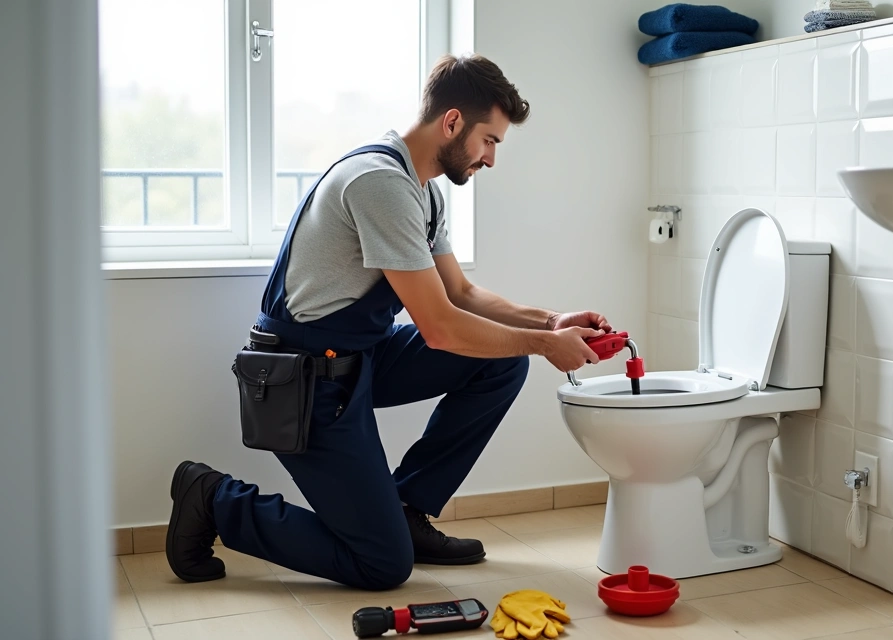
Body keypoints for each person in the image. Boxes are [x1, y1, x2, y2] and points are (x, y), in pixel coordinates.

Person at [164, 54, 611, 591]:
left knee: (502, 361)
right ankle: (213, 499)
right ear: (452, 123)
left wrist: (552, 321)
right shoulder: (379, 183)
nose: (491, 158)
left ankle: (406, 508)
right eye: (489, 140)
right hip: (305, 381)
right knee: (381, 566)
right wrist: (546, 344)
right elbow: (442, 327)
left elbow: (461, 293)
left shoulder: (424, 189)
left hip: (361, 357)